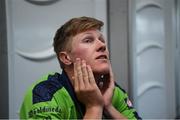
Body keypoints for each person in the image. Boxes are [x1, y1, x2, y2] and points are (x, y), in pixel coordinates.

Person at [20, 16, 141, 119]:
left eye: (102, 40)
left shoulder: (113, 91)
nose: (102, 45)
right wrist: (94, 107)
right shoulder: (44, 94)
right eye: (88, 40)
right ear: (66, 58)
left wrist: (108, 107)